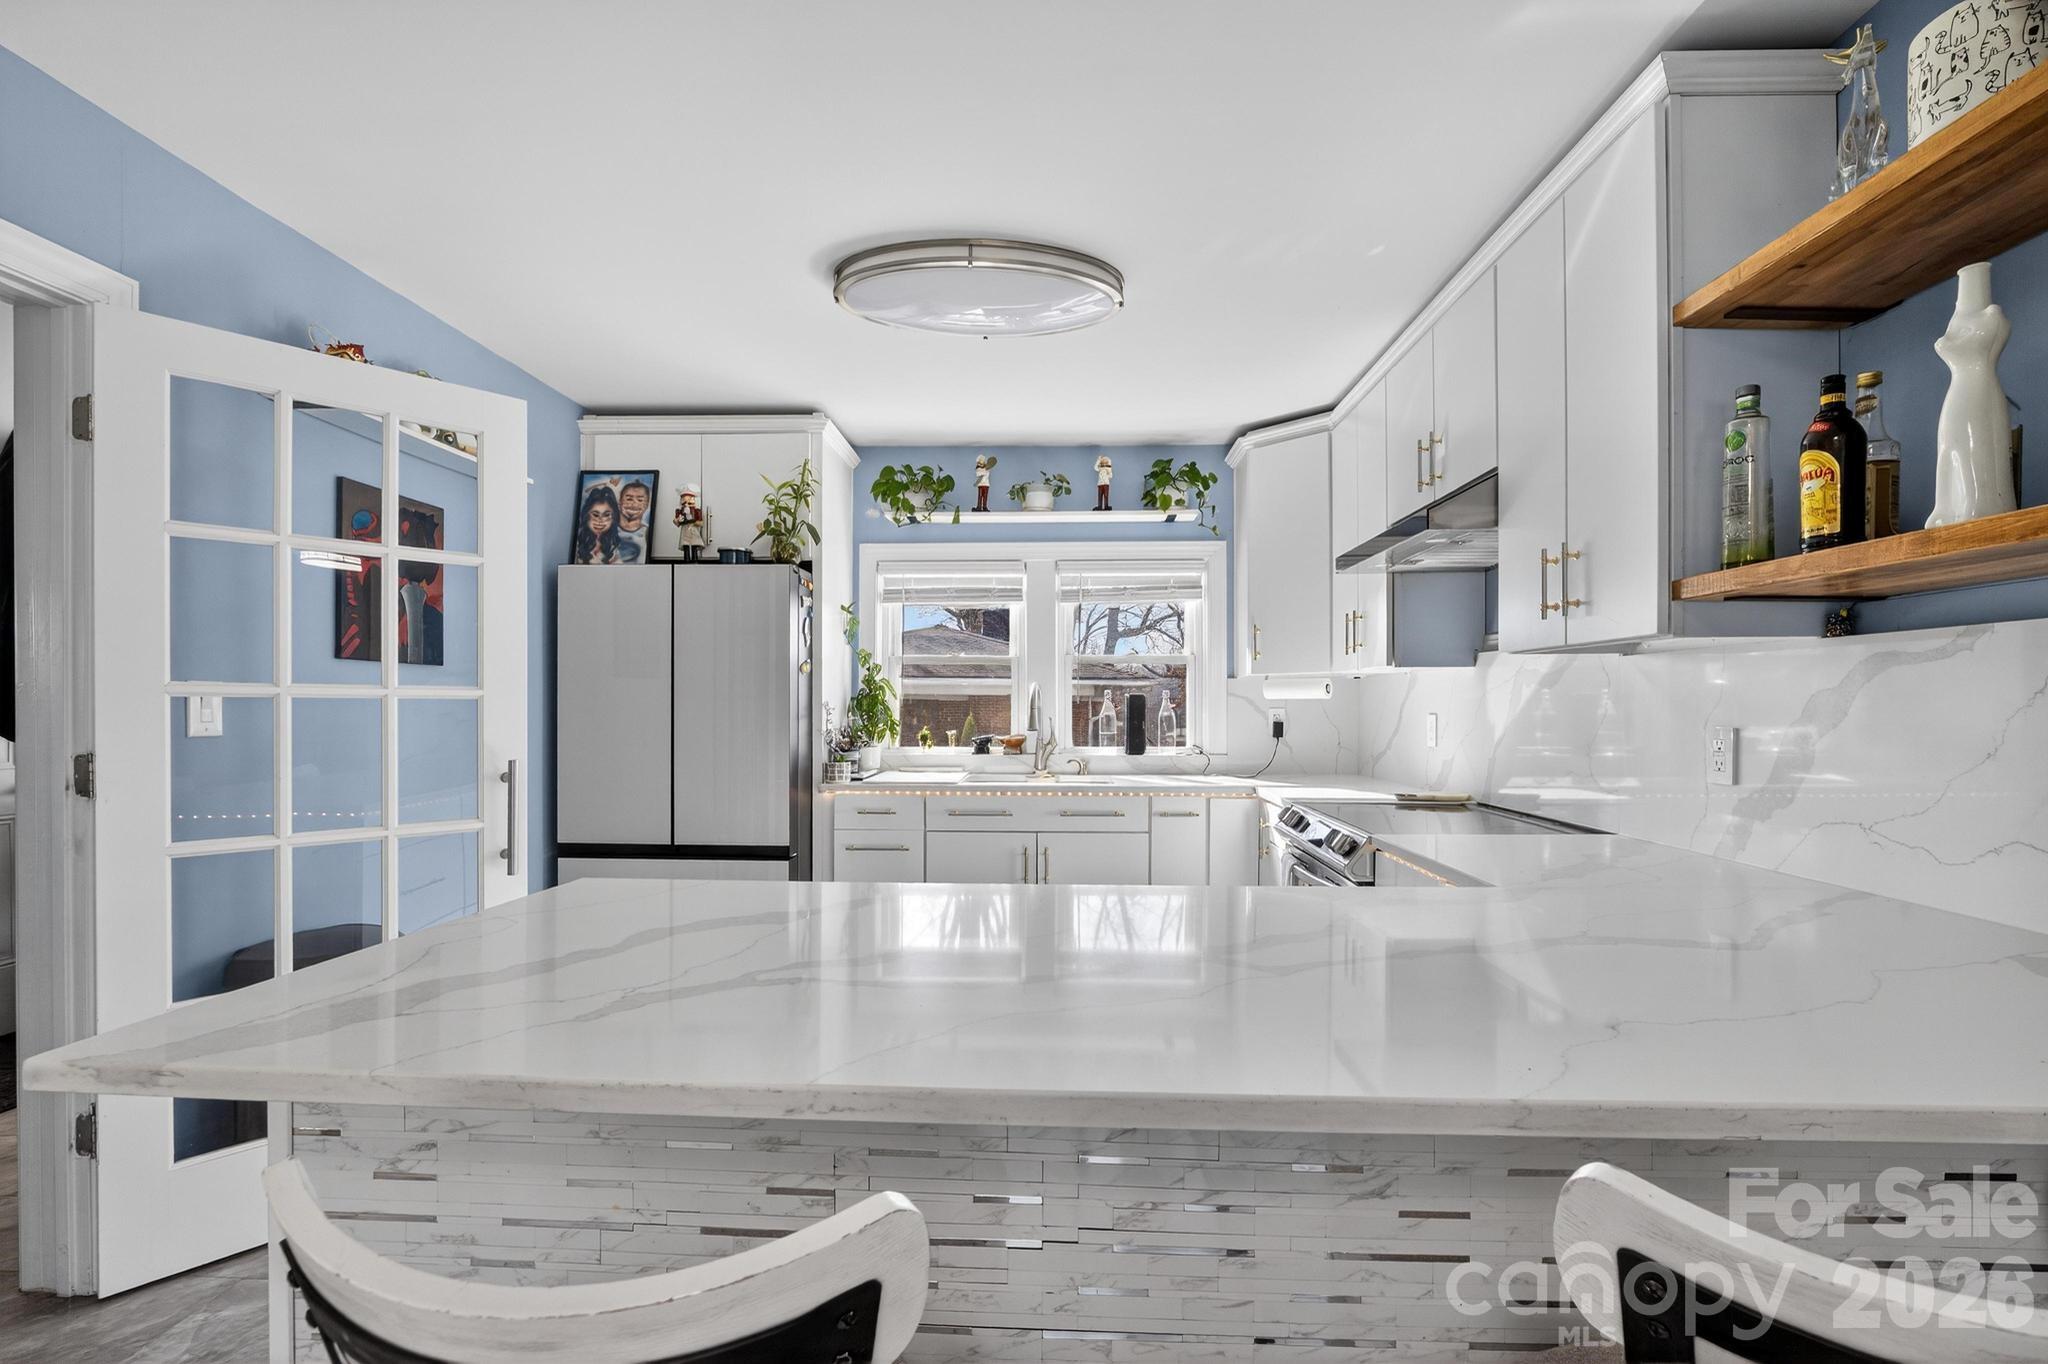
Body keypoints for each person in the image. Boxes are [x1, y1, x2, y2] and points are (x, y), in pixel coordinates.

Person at [574, 482, 623, 564]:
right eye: (595, 515)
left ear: (614, 518)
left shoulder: (614, 546)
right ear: (586, 515)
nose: (600, 521)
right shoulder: (577, 545)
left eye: (606, 515)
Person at [616, 478, 653, 563]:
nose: (634, 504)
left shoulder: (647, 533)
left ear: (647, 505)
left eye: (640, 500)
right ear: (620, 501)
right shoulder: (606, 529)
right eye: (629, 499)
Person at [673, 484, 711, 562]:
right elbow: (677, 523)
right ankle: (686, 559)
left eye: (689, 503)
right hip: (685, 531)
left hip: (693, 530)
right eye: (684, 503)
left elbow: (701, 523)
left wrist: (694, 522)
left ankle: (695, 559)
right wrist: (677, 520)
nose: (686, 505)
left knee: (695, 544)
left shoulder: (697, 511)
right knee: (685, 545)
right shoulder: (680, 511)